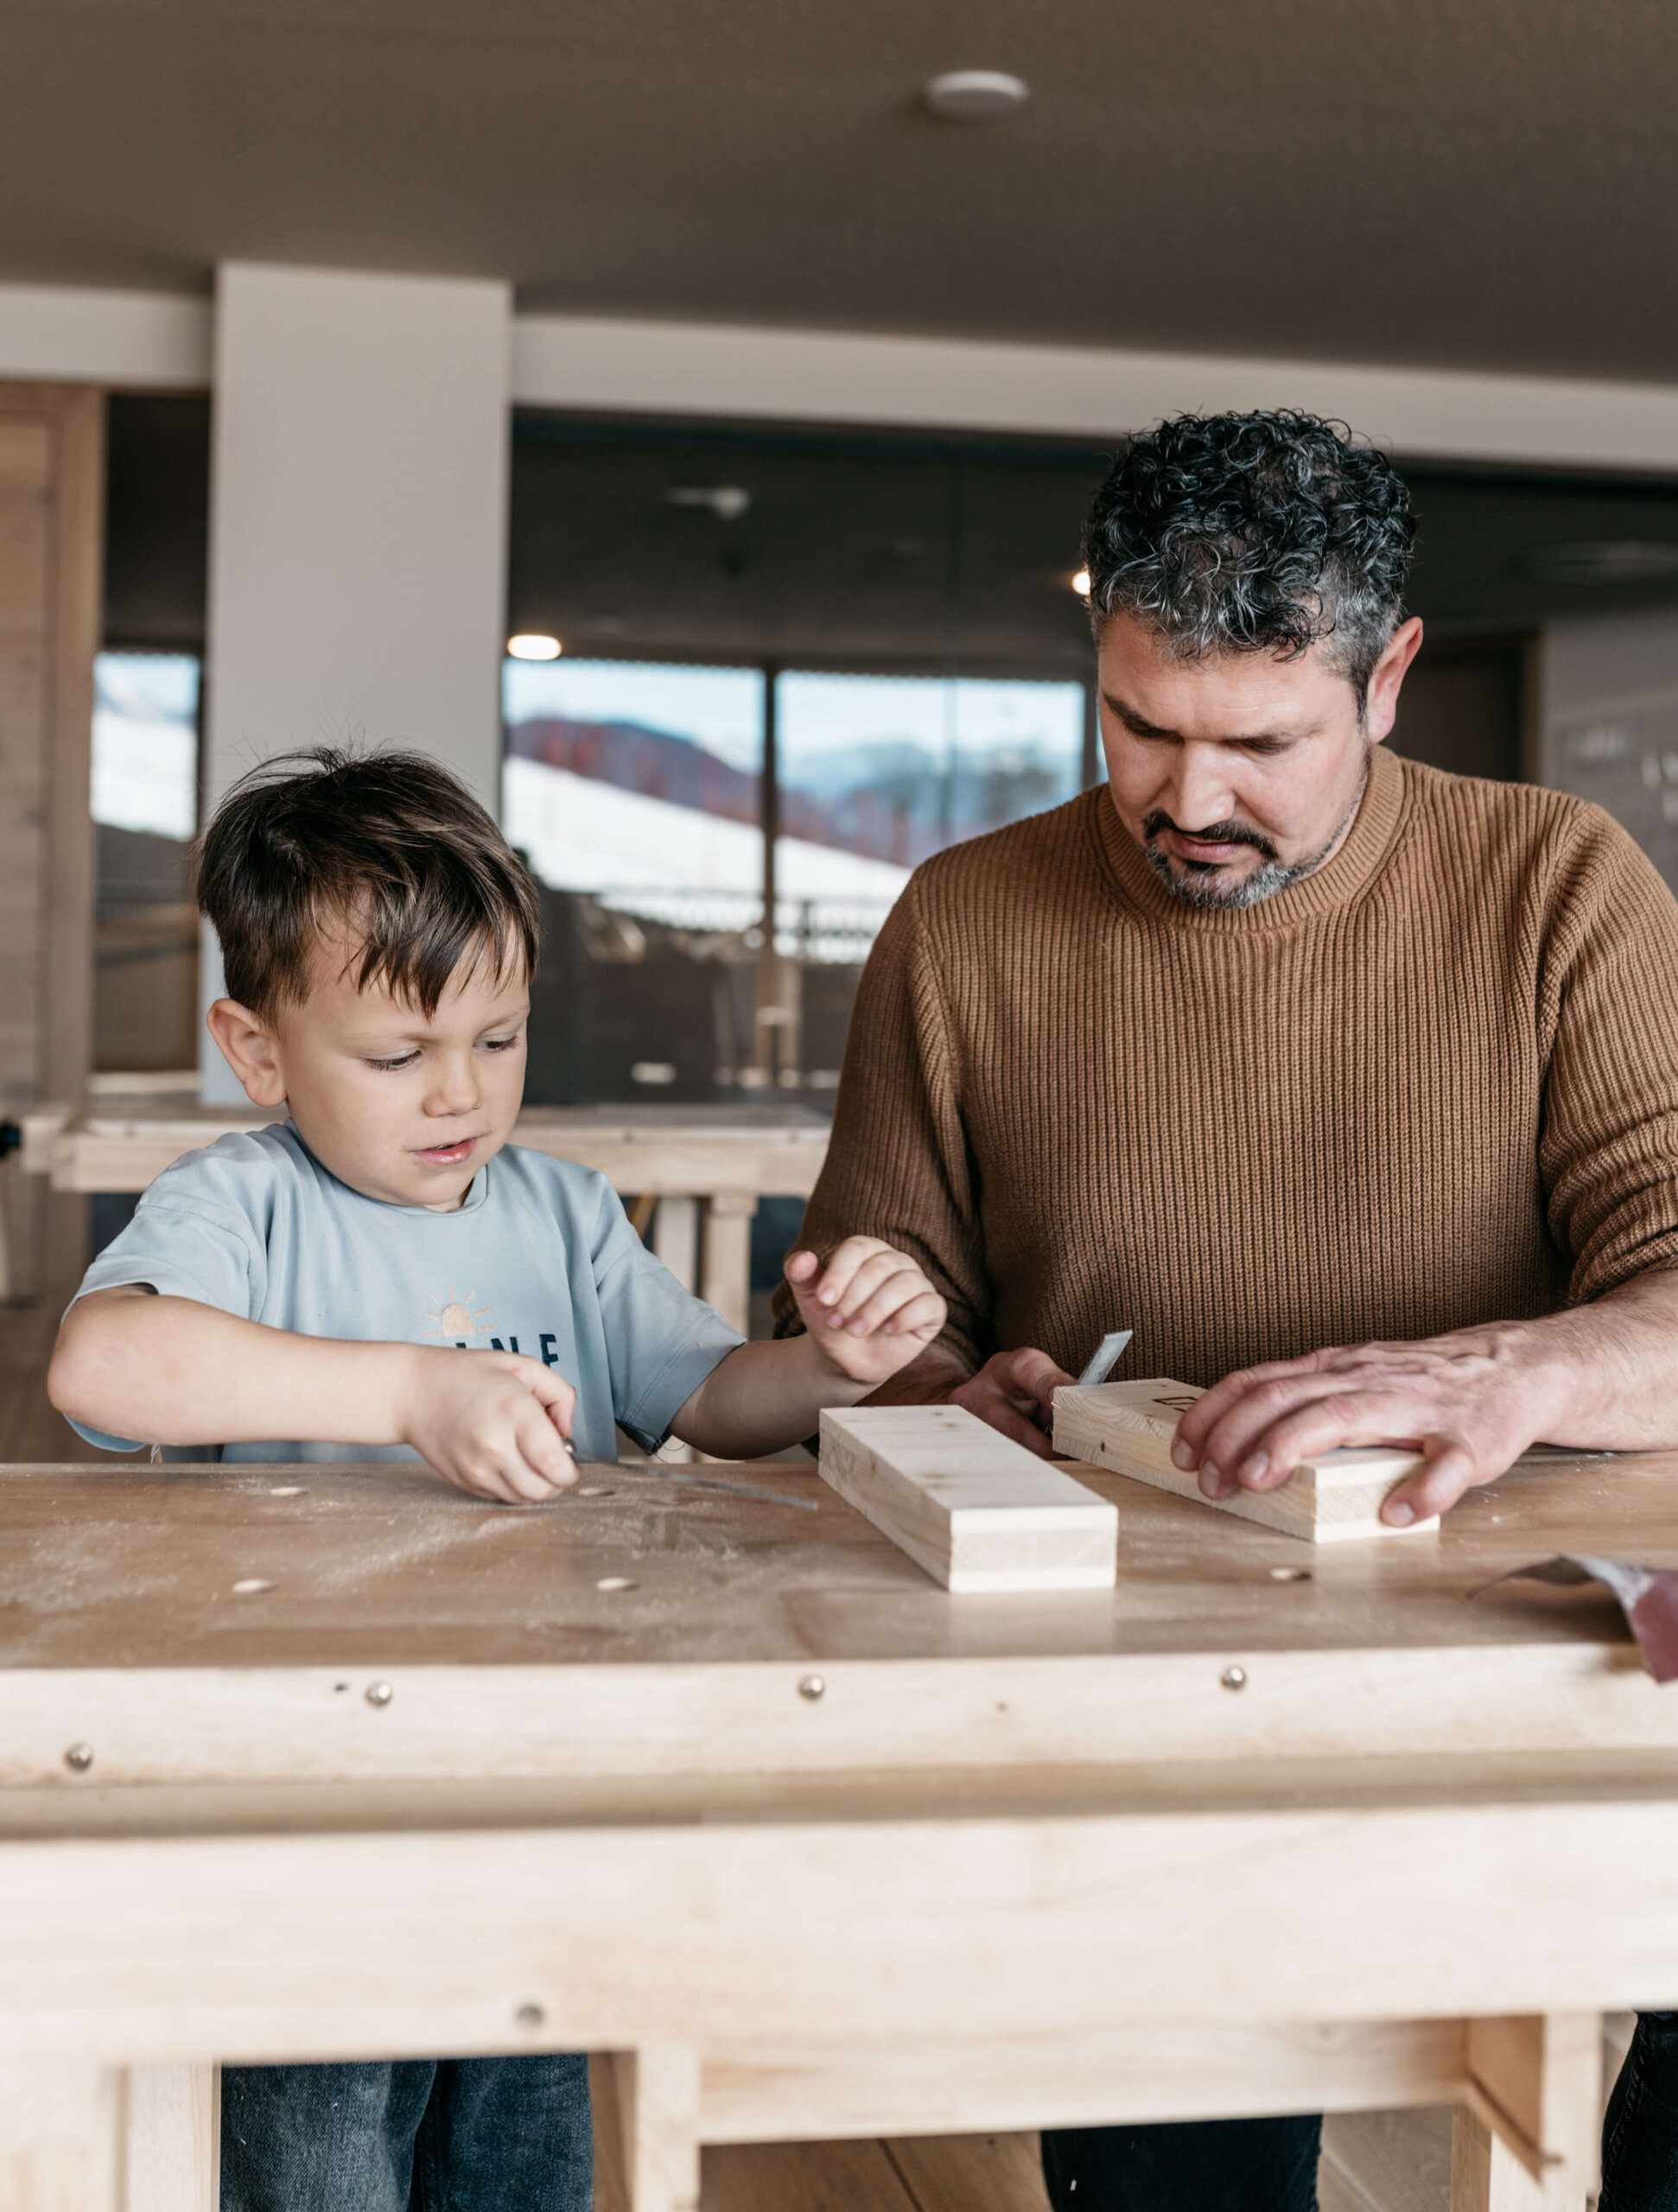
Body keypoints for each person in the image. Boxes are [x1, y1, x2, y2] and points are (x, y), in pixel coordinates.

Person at [776, 409, 1678, 2212]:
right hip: (1146, 1700)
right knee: (1174, 2148)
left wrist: (1511, 1367)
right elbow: (874, 1341)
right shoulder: (961, 922)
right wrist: (946, 1379)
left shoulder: (1555, 885)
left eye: (1258, 742)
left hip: (1531, 1666)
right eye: (1138, 727)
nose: (1187, 801)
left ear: (1389, 676)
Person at [48, 747, 945, 2212]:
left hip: (541, 1777)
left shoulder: (565, 1213)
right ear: (258, 1048)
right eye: (397, 1057)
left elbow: (714, 1400)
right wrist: (405, 1386)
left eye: (499, 1038)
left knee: (524, 2142)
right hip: (317, 1801)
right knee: (326, 2150)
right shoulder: (240, 1203)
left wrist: (833, 1364)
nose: (456, 1092)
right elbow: (101, 1366)